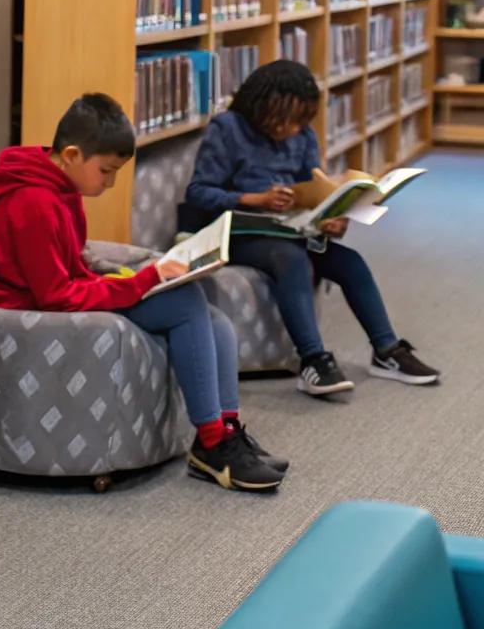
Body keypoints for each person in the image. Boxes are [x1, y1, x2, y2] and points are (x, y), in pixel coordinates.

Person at [0, 92, 287, 492]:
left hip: (62, 296)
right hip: (30, 315)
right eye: (105, 171)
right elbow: (55, 295)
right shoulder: (34, 202)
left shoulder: (60, 188)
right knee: (187, 302)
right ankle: (211, 443)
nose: (109, 183)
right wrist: (140, 282)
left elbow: (73, 267)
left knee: (214, 316)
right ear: (70, 155)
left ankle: (224, 431)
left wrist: (132, 278)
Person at [183, 60, 440, 397]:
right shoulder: (228, 128)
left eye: (300, 121)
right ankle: (313, 360)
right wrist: (255, 198)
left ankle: (387, 350)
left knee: (350, 263)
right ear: (262, 104)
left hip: (294, 228)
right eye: (284, 118)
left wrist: (330, 215)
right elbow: (198, 192)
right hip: (240, 231)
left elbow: (314, 186)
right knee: (292, 260)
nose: (291, 129)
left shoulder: (302, 136)